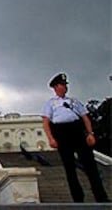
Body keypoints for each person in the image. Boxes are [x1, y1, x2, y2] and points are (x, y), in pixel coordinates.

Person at [41, 73, 109, 202]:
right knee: (70, 168)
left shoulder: (74, 101)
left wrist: (90, 134)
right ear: (55, 87)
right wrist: (51, 138)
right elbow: (46, 122)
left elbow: (85, 118)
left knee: (91, 166)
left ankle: (101, 197)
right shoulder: (50, 104)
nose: (65, 87)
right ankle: (78, 198)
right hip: (61, 133)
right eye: (62, 85)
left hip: (77, 131)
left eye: (65, 85)